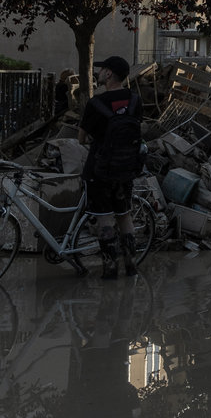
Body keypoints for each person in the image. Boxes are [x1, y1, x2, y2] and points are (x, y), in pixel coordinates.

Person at [78, 55, 144, 280]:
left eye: (101, 69)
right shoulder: (135, 100)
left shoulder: (96, 103)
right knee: (124, 216)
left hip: (100, 170)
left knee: (105, 219)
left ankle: (111, 271)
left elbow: (81, 138)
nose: (98, 73)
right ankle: (132, 268)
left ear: (108, 74)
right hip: (125, 169)